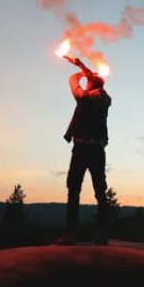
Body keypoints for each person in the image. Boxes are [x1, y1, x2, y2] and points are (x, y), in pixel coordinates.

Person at [56, 56, 112, 245]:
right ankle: (98, 233)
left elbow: (72, 81)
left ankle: (74, 233)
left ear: (91, 84)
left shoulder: (89, 97)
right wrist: (81, 65)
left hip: (85, 150)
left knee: (79, 190)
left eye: (88, 81)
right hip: (92, 149)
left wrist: (79, 71)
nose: (86, 84)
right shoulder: (104, 97)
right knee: (91, 190)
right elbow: (93, 80)